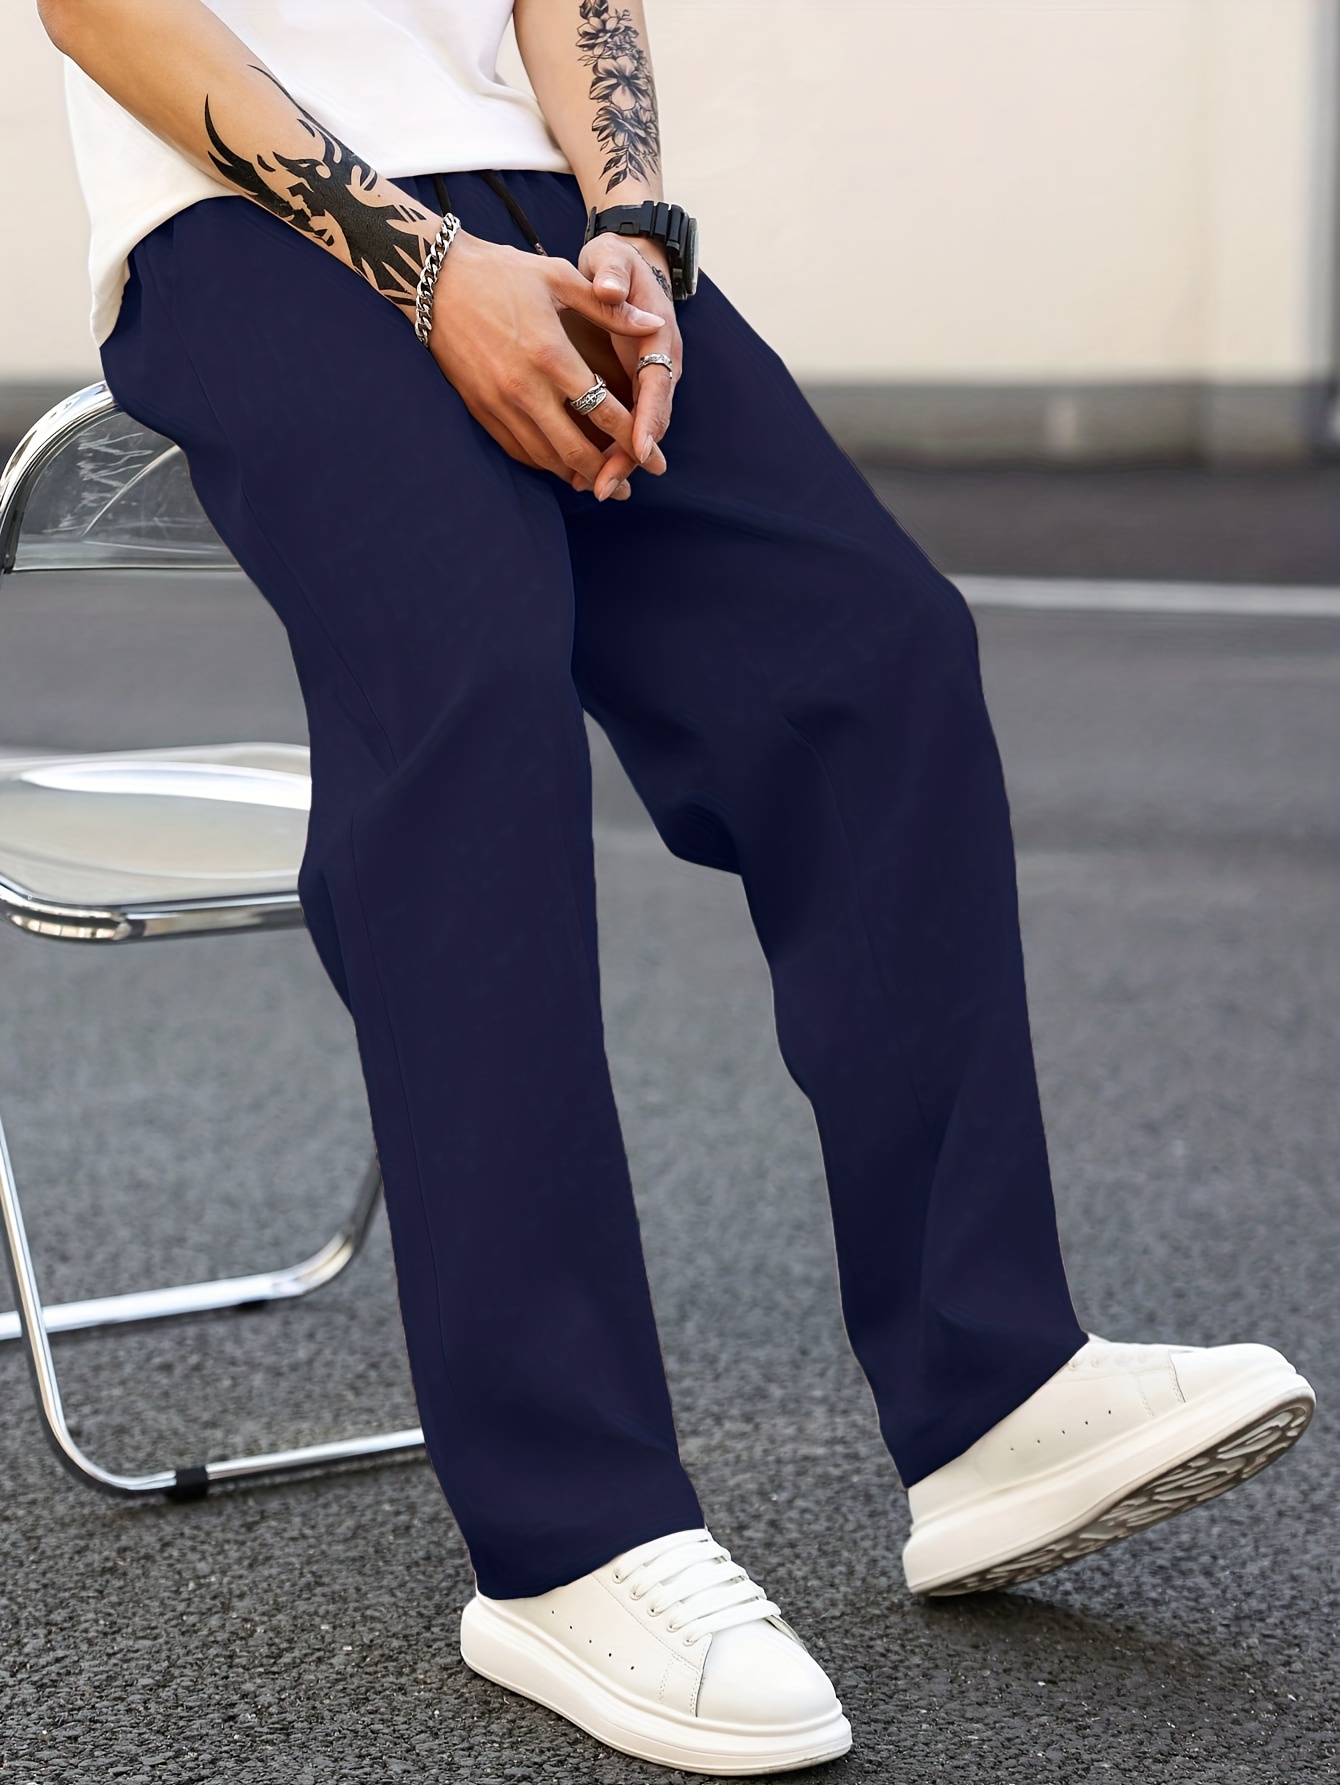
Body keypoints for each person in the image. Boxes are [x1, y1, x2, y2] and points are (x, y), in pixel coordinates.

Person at [38, 1, 1315, 1774]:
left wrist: (632, 223)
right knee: (476, 710)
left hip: (539, 197)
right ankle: (570, 1529)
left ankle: (994, 1380)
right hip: (245, 211)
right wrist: (429, 272)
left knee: (871, 653)